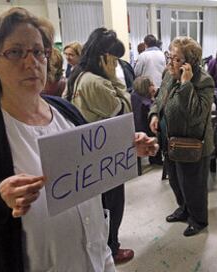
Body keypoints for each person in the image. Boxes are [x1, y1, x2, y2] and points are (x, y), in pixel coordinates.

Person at [0, 8, 157, 272]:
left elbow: (90, 168)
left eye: (38, 51)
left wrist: (126, 148)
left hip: (98, 261)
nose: (32, 62)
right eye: (15, 52)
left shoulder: (66, 112)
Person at [68, 27, 135, 264]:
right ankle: (111, 247)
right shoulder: (96, 82)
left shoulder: (78, 74)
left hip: (90, 151)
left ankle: (104, 244)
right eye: (114, 60)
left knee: (101, 205)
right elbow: (125, 110)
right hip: (105, 153)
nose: (116, 65)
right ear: (104, 57)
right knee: (112, 204)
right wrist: (115, 78)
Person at [149, 36, 214, 237]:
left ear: (189, 63)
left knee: (193, 185)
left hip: (191, 144)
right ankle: (184, 209)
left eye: (176, 59)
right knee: (176, 181)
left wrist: (186, 85)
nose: (170, 62)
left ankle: (198, 219)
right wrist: (153, 114)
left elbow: (196, 116)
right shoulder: (168, 75)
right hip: (169, 140)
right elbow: (160, 98)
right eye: (170, 56)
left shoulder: (204, 82)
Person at [131, 76, 163, 165]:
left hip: (135, 129)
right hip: (146, 131)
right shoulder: (146, 103)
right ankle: (157, 159)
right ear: (146, 87)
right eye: (152, 85)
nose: (154, 87)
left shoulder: (133, 97)